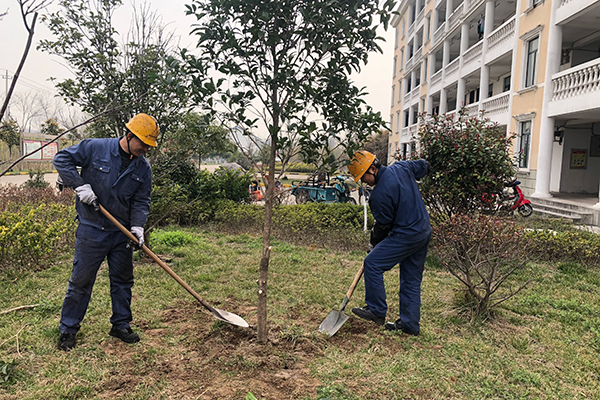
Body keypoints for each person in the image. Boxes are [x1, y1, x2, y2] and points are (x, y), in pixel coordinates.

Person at [53, 113, 159, 351]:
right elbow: (61, 159)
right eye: (142, 143)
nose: (144, 149)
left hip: (121, 234)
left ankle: (120, 324)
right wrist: (79, 184)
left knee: (123, 281)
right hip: (92, 229)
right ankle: (68, 330)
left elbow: (142, 200)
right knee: (81, 282)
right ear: (129, 135)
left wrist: (138, 226)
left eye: (148, 145)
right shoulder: (95, 147)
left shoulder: (143, 167)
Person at [347, 150, 431, 335]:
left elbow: (383, 225)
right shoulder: (402, 167)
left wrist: (373, 245)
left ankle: (376, 310)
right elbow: (424, 166)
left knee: (373, 263)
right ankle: (409, 325)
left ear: (372, 169)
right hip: (423, 231)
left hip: (406, 235)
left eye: (363, 177)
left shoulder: (378, 196)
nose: (363, 182)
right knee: (411, 279)